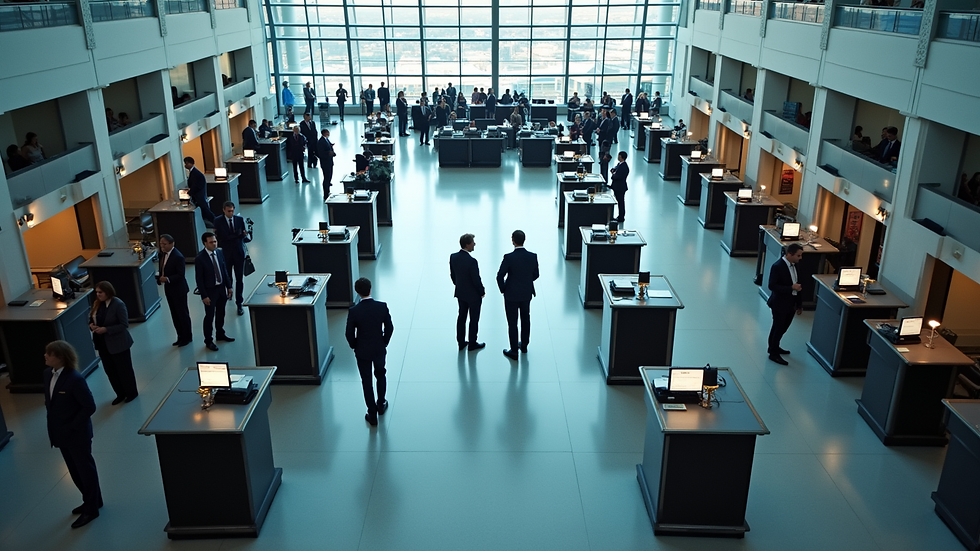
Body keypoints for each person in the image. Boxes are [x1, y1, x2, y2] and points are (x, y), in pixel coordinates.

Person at [43, 340, 102, 529]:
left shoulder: (75, 379)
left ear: (60, 358)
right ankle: (92, 500)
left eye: (49, 354)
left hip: (77, 435)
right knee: (75, 471)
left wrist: (72, 426)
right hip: (60, 434)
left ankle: (91, 509)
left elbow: (89, 406)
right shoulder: (47, 375)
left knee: (85, 471)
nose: (45, 356)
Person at [345, 278, 393, 426]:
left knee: (366, 381)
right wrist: (384, 341)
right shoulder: (381, 307)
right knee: (380, 374)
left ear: (357, 292)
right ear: (370, 289)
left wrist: (355, 346)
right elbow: (389, 328)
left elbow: (349, 333)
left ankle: (371, 413)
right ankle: (381, 403)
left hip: (362, 351)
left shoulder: (354, 311)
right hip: (379, 348)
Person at [88, 281, 138, 404]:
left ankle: (131, 393)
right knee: (110, 371)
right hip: (102, 344)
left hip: (118, 344)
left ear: (108, 292)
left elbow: (124, 324)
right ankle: (120, 393)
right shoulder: (97, 304)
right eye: (97, 292)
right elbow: (92, 318)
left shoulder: (118, 304)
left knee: (124, 370)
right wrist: (91, 325)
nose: (98, 295)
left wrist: (106, 329)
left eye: (100, 292)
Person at [496, 230, 539, 360]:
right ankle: (524, 345)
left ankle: (514, 350)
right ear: (524, 240)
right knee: (525, 320)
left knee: (512, 322)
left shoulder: (508, 257)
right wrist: (526, 281)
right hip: (526, 294)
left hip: (511, 295)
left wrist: (504, 289)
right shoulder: (532, 256)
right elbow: (536, 275)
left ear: (513, 240)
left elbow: (499, 276)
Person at [195, 231, 234, 352]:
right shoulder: (200, 258)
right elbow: (199, 279)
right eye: (211, 242)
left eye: (215, 241)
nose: (214, 244)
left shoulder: (220, 252)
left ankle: (220, 333)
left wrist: (229, 286)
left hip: (221, 289)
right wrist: (204, 295)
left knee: (221, 312)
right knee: (209, 316)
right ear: (204, 243)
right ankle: (208, 340)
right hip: (210, 291)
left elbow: (224, 270)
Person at [767, 243, 804, 365]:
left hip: (791, 304)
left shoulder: (795, 265)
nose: (800, 258)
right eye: (798, 255)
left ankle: (774, 346)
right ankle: (773, 353)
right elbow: (772, 286)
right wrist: (790, 288)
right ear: (790, 254)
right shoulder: (777, 266)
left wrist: (799, 305)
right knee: (778, 328)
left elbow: (797, 285)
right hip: (779, 304)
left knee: (782, 328)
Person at [214, 201, 251, 316]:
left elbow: (242, 237)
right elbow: (222, 238)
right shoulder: (218, 221)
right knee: (228, 276)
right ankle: (228, 293)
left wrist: (242, 235)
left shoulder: (239, 220)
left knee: (239, 278)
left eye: (232, 211)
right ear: (224, 210)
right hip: (226, 254)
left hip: (238, 253)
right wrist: (237, 235)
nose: (231, 213)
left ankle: (239, 302)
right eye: (228, 211)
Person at [450, 233, 486, 352]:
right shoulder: (472, 261)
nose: (474, 244)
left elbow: (453, 275)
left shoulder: (453, 257)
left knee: (461, 317)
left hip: (461, 293)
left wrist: (459, 285)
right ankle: (472, 343)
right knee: (474, 319)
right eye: (472, 242)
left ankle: (461, 342)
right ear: (467, 244)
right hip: (473, 296)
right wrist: (482, 291)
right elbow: (476, 280)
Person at [157, 234, 192, 347]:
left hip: (179, 290)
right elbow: (162, 269)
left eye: (164, 244)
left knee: (182, 314)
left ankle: (187, 337)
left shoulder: (178, 257)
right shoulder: (163, 254)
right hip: (169, 290)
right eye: (161, 243)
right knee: (174, 314)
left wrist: (167, 279)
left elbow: (180, 275)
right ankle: (180, 336)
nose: (162, 246)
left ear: (172, 244)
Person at [183, 157, 216, 223]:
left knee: (206, 212)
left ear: (191, 163)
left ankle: (216, 222)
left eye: (186, 163)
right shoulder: (193, 173)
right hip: (198, 197)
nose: (185, 165)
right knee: (204, 212)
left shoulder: (197, 174)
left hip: (200, 197)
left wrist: (189, 192)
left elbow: (198, 186)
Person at [316, 129, 336, 201]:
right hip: (325, 163)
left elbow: (329, 147)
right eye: (328, 132)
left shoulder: (326, 140)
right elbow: (321, 153)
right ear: (324, 133)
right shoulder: (321, 142)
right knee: (326, 178)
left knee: (329, 177)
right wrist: (328, 153)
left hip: (329, 162)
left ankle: (328, 191)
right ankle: (325, 194)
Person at [610, 151, 629, 223]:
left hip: (620, 187)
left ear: (621, 157)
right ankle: (620, 216)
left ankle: (621, 217)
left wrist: (613, 175)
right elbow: (616, 169)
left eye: (619, 156)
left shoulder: (624, 167)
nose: (618, 157)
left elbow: (618, 176)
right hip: (617, 187)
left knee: (621, 202)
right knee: (619, 201)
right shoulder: (620, 164)